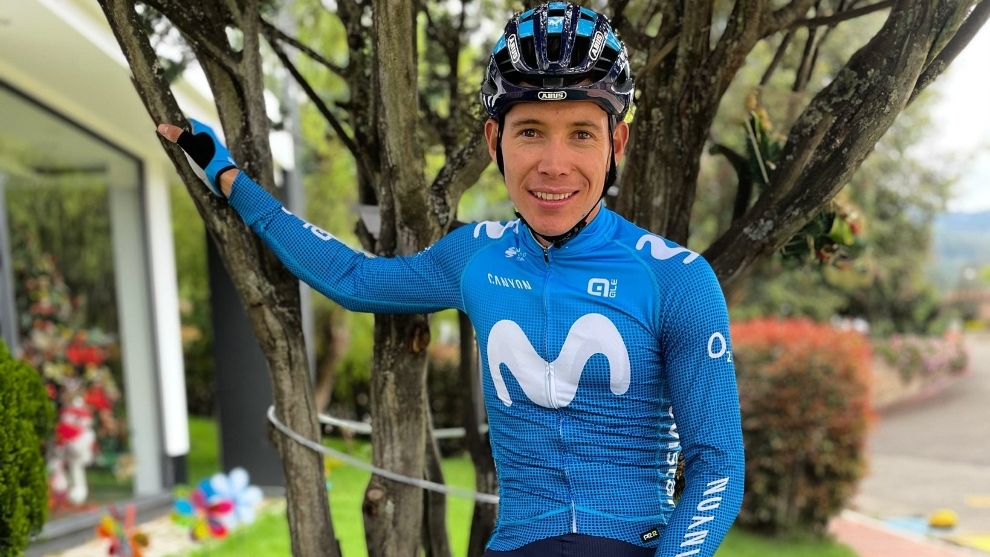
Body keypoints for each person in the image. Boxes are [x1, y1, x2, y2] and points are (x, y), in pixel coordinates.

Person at [158, 3, 744, 555]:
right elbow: (355, 279)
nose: (553, 164)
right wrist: (231, 179)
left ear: (616, 143)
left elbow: (718, 468)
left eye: (581, 134)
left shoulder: (676, 279)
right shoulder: (477, 257)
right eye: (530, 131)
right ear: (495, 142)